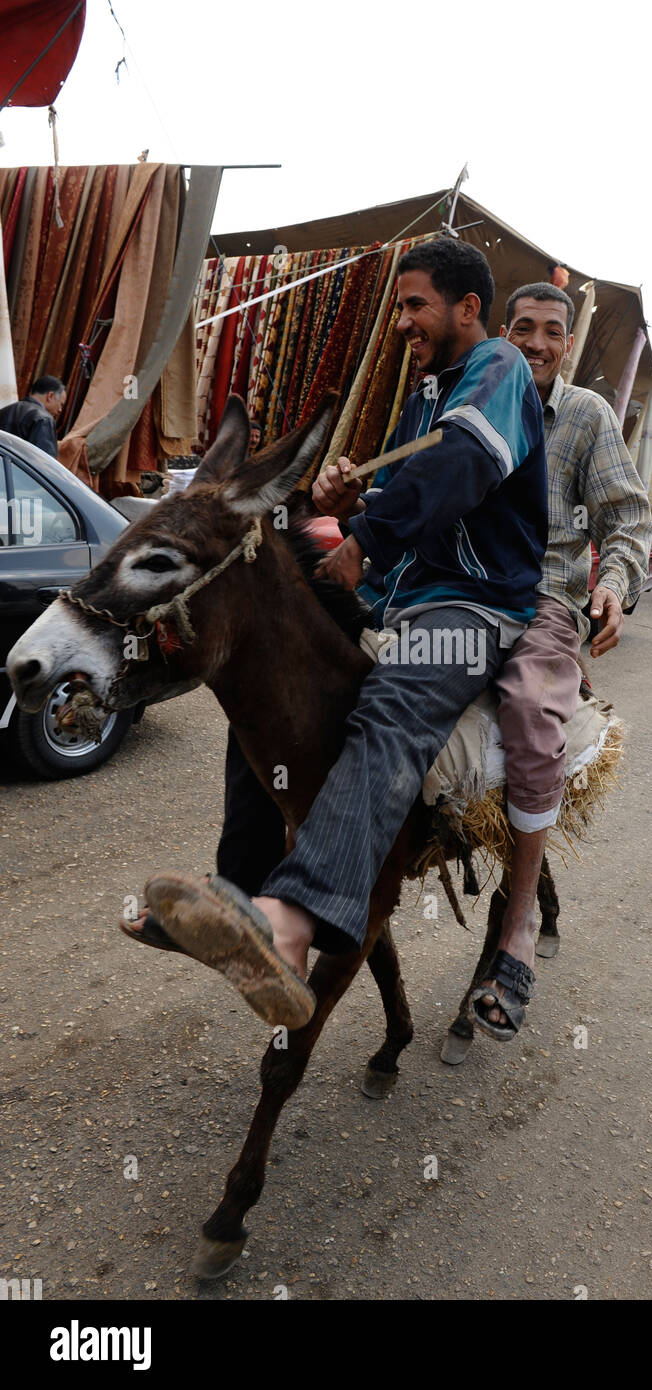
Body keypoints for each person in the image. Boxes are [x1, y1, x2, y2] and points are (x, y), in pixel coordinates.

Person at [136, 238, 549, 1033]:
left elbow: (461, 466)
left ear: (468, 309)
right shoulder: (427, 393)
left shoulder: (496, 367)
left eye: (413, 304)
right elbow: (400, 494)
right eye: (397, 307)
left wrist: (368, 537)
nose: (400, 322)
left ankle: (292, 927)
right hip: (406, 598)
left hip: (474, 611)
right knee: (270, 680)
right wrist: (350, 498)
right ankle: (240, 896)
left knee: (389, 706)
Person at [465, 282, 651, 1039]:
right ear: (503, 332)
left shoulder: (586, 415)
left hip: (540, 595)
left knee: (529, 711)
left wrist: (611, 586)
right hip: (456, 589)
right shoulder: (469, 399)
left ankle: (514, 928)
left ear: (567, 344)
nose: (536, 343)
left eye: (550, 331)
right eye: (523, 328)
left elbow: (627, 517)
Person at [0, 375, 66, 457]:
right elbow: (44, 460)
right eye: (61, 404)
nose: (60, 410)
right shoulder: (44, 419)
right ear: (50, 396)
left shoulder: (5, 410)